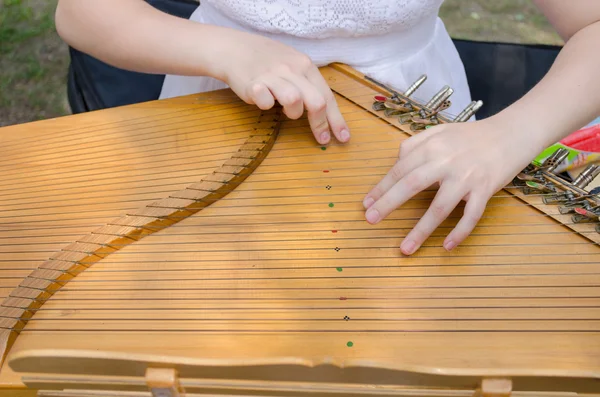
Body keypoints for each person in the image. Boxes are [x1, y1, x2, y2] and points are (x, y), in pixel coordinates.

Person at [55, 0, 600, 255]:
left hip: (412, 130)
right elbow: (84, 11)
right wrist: (224, 49)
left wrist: (507, 136)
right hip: (222, 104)